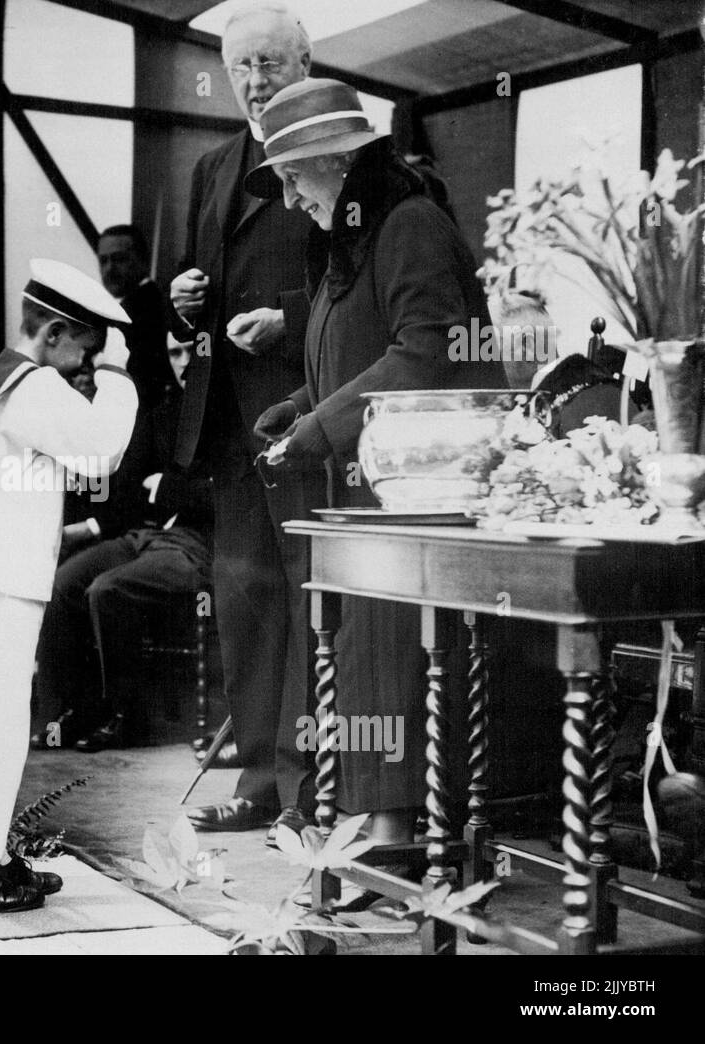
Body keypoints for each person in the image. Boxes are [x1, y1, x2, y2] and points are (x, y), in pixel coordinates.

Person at [247, 78, 506, 878]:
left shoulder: (410, 224)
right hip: (366, 491)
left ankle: (390, 840)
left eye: (295, 176)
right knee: (361, 654)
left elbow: (425, 354)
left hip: (415, 495)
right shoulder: (360, 234)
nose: (290, 200)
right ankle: (372, 824)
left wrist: (319, 428)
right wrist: (297, 410)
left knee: (386, 655)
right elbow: (358, 354)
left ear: (341, 161)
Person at [0, 258, 137, 913]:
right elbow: (103, 452)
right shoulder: (35, 387)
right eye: (82, 351)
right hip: (0, 574)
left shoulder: (0, 380)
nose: (83, 368)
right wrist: (119, 372)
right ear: (50, 333)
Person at [168, 2, 322, 839]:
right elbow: (201, 288)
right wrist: (186, 300)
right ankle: (263, 784)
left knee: (308, 611)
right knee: (249, 612)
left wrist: (286, 323)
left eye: (270, 64)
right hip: (230, 436)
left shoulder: (350, 159)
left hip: (304, 425)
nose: (256, 83)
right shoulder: (212, 166)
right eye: (242, 69)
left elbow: (359, 297)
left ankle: (310, 796)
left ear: (307, 61)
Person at [32, 333, 213, 751]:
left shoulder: (228, 414)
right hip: (144, 534)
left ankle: (127, 714)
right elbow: (130, 487)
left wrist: (168, 488)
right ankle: (73, 710)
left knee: (110, 590)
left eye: (192, 350)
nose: (184, 361)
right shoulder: (163, 413)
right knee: (64, 584)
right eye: (174, 352)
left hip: (198, 542)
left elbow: (230, 496)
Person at [98, 224, 171, 409]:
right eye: (103, 261)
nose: (109, 268)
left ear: (143, 261)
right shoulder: (119, 310)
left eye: (119, 259)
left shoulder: (151, 308)